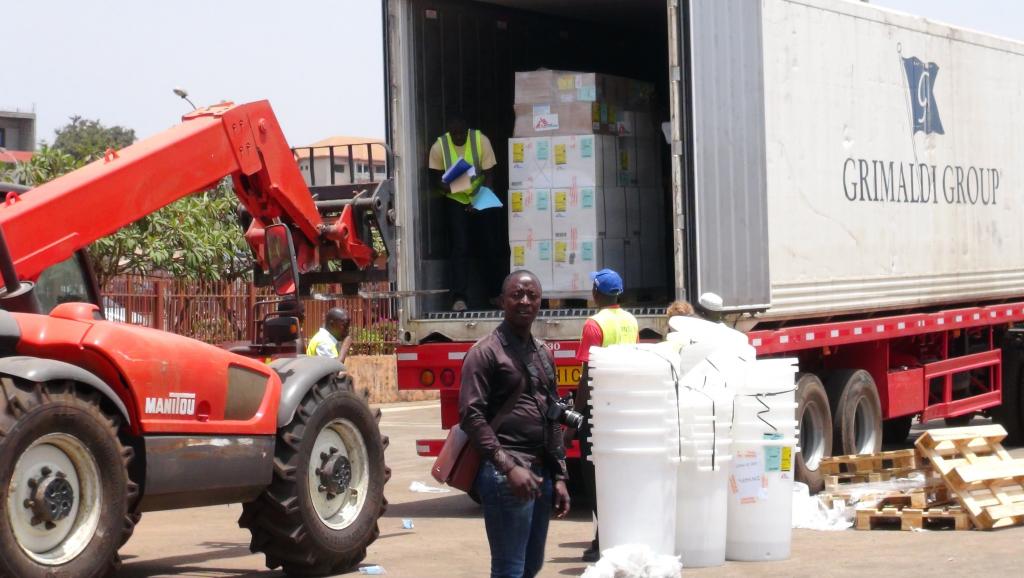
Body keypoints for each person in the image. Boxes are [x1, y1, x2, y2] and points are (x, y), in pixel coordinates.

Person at [459, 270, 571, 578]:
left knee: (531, 566)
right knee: (510, 569)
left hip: (541, 474)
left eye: (532, 295)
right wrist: (508, 468)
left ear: (540, 302)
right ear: (502, 301)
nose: (524, 301)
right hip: (506, 474)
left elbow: (552, 413)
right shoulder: (485, 352)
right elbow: (471, 416)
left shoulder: (543, 352)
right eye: (517, 295)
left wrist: (559, 475)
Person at [568, 268, 639, 563]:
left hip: (597, 407)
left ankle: (603, 540)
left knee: (593, 475)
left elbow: (587, 375)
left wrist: (576, 413)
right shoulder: (631, 321)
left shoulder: (594, 324)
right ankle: (616, 535)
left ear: (596, 293)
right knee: (620, 475)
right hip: (623, 405)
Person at [428, 113, 499, 312]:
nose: (459, 136)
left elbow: (490, 176)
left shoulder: (481, 141)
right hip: (455, 200)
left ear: (468, 129)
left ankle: (495, 294)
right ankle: (459, 297)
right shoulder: (438, 147)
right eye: (455, 133)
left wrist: (478, 200)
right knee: (460, 247)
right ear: (449, 132)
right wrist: (460, 184)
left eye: (462, 133)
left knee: (489, 245)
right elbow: (437, 182)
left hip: (480, 195)